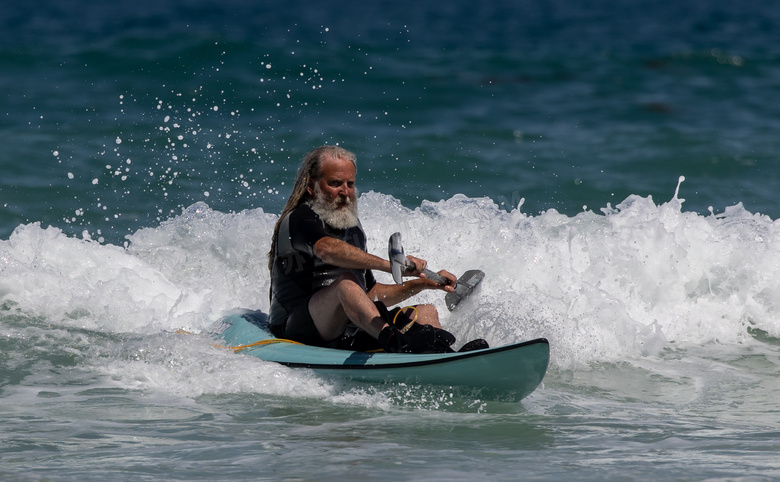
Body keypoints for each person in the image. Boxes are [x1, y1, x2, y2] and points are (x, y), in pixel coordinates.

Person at [267, 145, 463, 353]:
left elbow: (371, 294)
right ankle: (397, 344)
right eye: (335, 183)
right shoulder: (299, 219)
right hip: (297, 327)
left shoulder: (353, 228)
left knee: (425, 312)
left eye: (350, 184)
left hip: (348, 328)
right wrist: (389, 266)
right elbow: (327, 249)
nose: (345, 192)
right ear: (311, 186)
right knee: (347, 284)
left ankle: (445, 355)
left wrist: (423, 283)